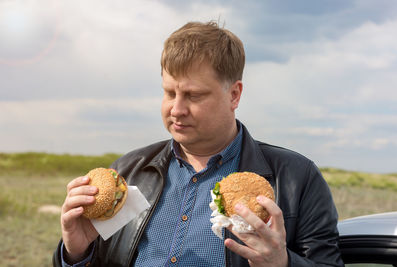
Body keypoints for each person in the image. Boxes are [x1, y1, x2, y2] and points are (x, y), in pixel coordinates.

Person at [53, 21, 344, 267]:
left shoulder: (296, 178)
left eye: (193, 96)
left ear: (234, 95)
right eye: (169, 93)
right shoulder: (129, 171)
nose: (176, 109)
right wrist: (75, 253)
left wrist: (284, 263)